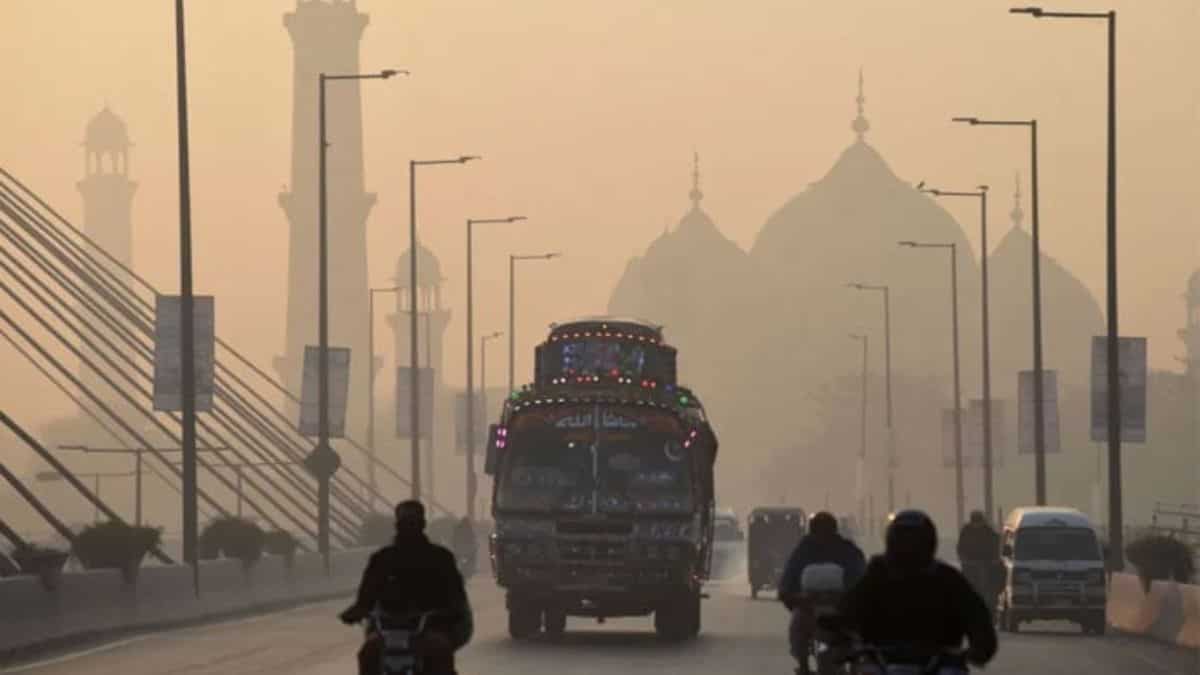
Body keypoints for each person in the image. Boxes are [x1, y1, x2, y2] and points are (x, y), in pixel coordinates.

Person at [836, 510, 998, 669]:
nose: (909, 547)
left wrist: (980, 648)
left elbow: (977, 616)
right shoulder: (877, 574)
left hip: (939, 664)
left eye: (915, 542)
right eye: (903, 541)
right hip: (883, 663)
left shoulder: (947, 577)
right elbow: (849, 608)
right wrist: (838, 632)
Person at [340, 500, 473, 675]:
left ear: (422, 525)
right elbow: (366, 596)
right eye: (404, 524)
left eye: (413, 524)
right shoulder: (381, 560)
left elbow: (456, 596)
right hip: (388, 631)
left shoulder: (440, 558)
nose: (408, 529)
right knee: (368, 652)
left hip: (431, 628)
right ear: (397, 526)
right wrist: (357, 611)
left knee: (438, 650)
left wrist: (448, 612)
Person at [778, 511, 867, 675]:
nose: (822, 535)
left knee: (859, 636)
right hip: (809, 608)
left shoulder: (847, 550)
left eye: (826, 530)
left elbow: (860, 576)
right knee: (797, 627)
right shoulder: (803, 549)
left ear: (834, 531)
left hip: (842, 608)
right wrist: (791, 596)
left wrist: (852, 598)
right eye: (819, 530)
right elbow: (789, 577)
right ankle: (803, 665)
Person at [956, 510, 1001, 612]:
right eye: (975, 521)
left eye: (978, 521)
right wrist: (963, 558)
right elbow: (960, 546)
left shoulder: (988, 531)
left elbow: (995, 543)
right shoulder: (966, 530)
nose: (977, 524)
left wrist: (995, 558)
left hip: (986, 563)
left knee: (992, 583)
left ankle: (992, 604)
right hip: (970, 564)